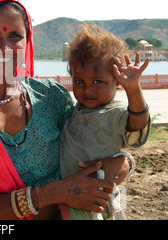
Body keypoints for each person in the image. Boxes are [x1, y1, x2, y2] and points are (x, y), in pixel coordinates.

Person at [0, 0, 130, 220]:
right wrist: (48, 195)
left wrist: (124, 161)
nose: (4, 47)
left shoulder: (50, 96)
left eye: (15, 36)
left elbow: (89, 139)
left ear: (28, 41)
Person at [60, 24, 150, 220]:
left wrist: (133, 89)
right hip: (72, 198)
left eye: (98, 81)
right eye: (79, 82)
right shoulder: (77, 109)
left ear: (117, 81)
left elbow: (137, 126)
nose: (87, 90)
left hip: (98, 201)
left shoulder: (114, 113)